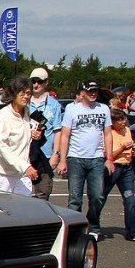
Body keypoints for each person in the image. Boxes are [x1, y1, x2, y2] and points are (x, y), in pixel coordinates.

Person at [55, 80, 114, 241]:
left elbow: (108, 134)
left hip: (96, 158)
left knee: (98, 196)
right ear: (83, 92)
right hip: (76, 158)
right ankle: (74, 229)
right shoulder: (72, 109)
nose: (93, 93)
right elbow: (65, 135)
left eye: (95, 91)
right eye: (90, 91)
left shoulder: (104, 109)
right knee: (75, 198)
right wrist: (62, 160)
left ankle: (93, 225)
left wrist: (109, 158)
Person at [0, 76, 38, 196]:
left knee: (23, 211)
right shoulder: (2, 116)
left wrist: (36, 134)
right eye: (22, 93)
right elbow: (2, 148)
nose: (26, 97)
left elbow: (27, 136)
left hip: (21, 175)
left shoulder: (27, 113)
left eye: (28, 93)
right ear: (14, 94)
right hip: (1, 175)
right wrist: (25, 167)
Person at [27, 67, 63, 194]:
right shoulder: (24, 102)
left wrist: (56, 154)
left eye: (39, 81)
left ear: (46, 82)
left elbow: (58, 131)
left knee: (43, 193)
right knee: (23, 195)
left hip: (45, 155)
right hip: (25, 154)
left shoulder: (54, 105)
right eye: (33, 81)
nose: (36, 85)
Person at [102, 107, 135, 241]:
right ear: (113, 122)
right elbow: (108, 155)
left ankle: (132, 231)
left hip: (127, 168)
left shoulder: (127, 130)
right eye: (120, 120)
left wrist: (133, 152)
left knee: (130, 200)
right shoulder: (109, 132)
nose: (124, 122)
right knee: (100, 197)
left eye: (124, 119)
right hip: (113, 167)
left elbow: (129, 150)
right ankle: (93, 225)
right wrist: (122, 148)